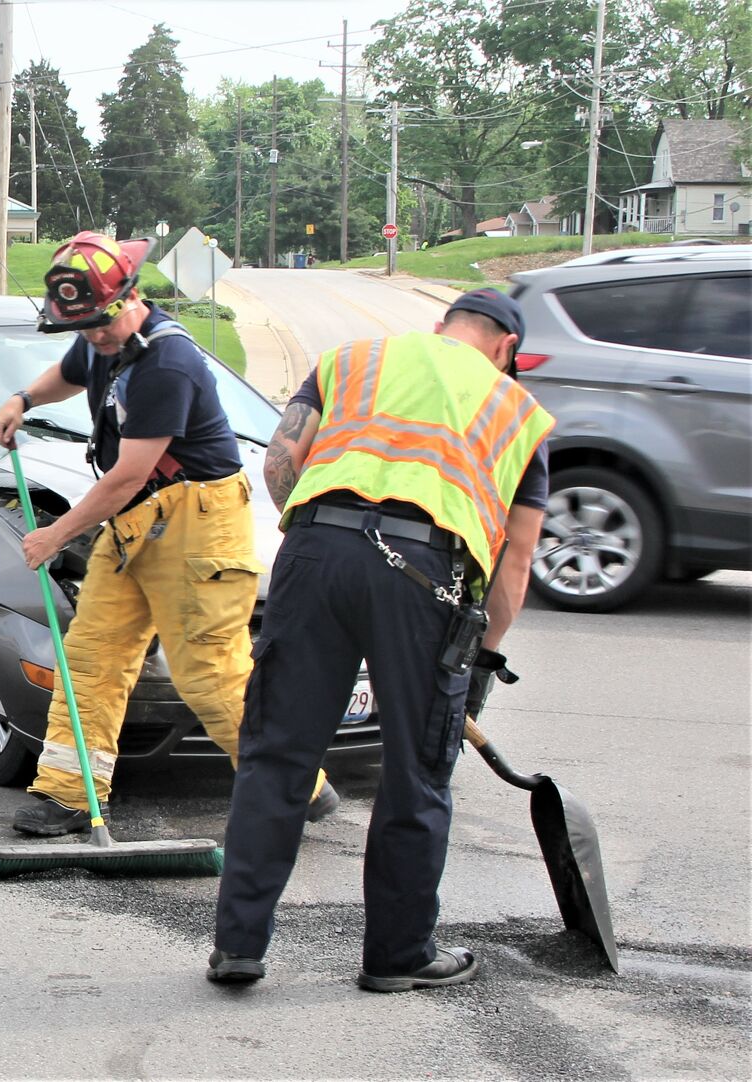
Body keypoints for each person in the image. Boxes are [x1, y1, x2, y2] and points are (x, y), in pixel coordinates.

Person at [208, 288, 553, 992]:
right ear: (505, 349)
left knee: (276, 755)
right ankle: (397, 957)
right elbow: (516, 562)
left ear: (442, 328)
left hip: (312, 551)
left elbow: (281, 460)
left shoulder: (351, 361)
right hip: (424, 574)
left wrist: (321, 536)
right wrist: (481, 659)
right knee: (416, 771)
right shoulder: (518, 409)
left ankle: (237, 947)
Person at [0, 232, 335, 837]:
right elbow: (69, 373)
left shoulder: (166, 363)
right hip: (135, 527)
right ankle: (72, 794)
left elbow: (127, 476)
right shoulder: (100, 340)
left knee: (210, 672)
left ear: (128, 297)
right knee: (92, 658)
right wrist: (22, 398)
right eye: (82, 326)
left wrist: (55, 536)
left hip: (198, 522)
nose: (91, 336)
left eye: (98, 323)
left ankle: (293, 789)